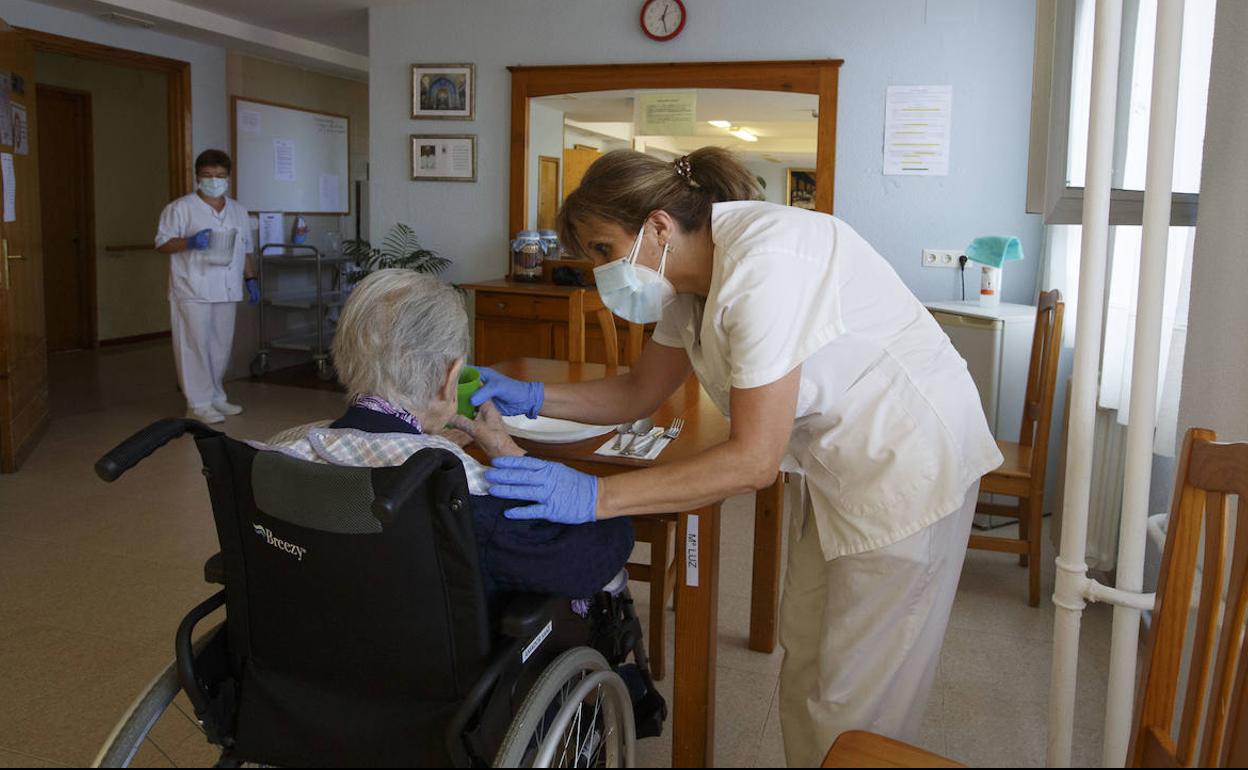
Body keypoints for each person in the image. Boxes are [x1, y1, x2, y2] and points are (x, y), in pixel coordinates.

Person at [474, 147, 1004, 765]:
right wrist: (535, 397)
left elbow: (753, 461)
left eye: (602, 250)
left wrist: (593, 497)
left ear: (658, 226)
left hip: (907, 464)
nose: (599, 271)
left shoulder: (765, 267)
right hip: (836, 469)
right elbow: (638, 391)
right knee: (804, 658)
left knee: (857, 696)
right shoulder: (686, 283)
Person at [264, 269, 633, 601]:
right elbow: (590, 555)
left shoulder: (276, 450)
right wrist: (512, 454)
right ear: (450, 377)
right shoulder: (453, 484)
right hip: (425, 664)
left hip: (308, 650)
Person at [155, 149, 260, 424]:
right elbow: (162, 243)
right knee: (194, 346)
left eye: (220, 176)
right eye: (208, 176)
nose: (214, 181)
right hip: (192, 288)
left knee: (220, 346)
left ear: (228, 177)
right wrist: (189, 242)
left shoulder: (238, 210)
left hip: (226, 288)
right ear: (198, 177)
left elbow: (245, 249)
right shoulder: (180, 208)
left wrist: (251, 279)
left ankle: (216, 396)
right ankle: (198, 403)